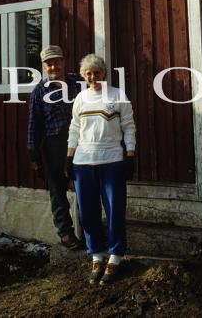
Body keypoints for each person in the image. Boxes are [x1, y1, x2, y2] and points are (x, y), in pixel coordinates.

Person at [66, 53, 136, 285]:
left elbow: (128, 126)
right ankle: (96, 256)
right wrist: (69, 157)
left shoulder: (117, 95)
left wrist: (130, 154)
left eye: (97, 72)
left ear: (104, 74)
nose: (93, 77)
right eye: (89, 74)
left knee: (115, 210)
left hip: (112, 160)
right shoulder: (81, 98)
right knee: (87, 212)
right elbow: (74, 128)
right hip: (83, 162)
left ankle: (115, 257)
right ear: (84, 77)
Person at [27, 45, 82, 249]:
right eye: (49, 63)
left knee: (83, 188)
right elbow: (34, 126)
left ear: (63, 61)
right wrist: (34, 156)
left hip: (81, 143)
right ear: (43, 66)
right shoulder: (39, 91)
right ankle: (66, 233)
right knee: (57, 191)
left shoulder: (79, 82)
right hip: (55, 145)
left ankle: (87, 232)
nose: (53, 66)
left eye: (57, 61)